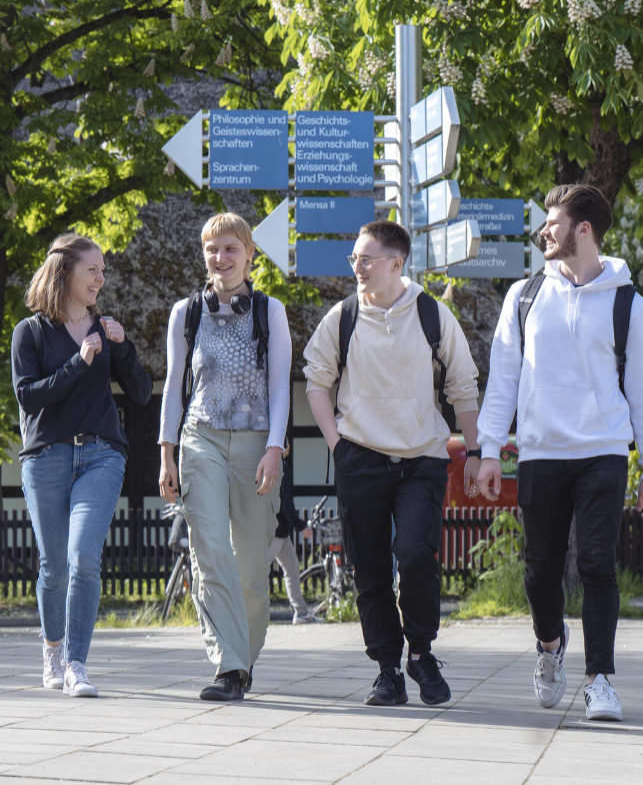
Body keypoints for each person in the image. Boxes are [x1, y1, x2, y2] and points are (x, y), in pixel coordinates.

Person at [476, 183, 643, 722]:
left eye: (553, 222)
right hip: (540, 452)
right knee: (539, 570)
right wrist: (491, 448)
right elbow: (504, 378)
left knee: (596, 563)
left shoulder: (627, 303)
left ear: (583, 229)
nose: (544, 231)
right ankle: (549, 646)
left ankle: (599, 680)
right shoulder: (525, 296)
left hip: (604, 450)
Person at [303, 219, 481, 707]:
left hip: (421, 457)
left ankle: (421, 652)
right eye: (354, 259)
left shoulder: (433, 316)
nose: (357, 267)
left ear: (396, 263)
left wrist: (476, 451)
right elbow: (317, 382)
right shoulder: (342, 317)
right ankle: (387, 668)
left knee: (416, 554)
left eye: (366, 259)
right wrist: (338, 444)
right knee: (371, 568)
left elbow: (463, 387)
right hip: (360, 456)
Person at [11, 233, 151, 698]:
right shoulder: (30, 333)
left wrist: (123, 347)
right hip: (46, 456)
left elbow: (141, 392)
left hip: (101, 454)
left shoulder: (106, 329)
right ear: (66, 271)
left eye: (103, 271)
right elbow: (28, 397)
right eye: (93, 269)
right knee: (53, 566)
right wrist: (78, 361)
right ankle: (52, 649)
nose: (101, 278)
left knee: (83, 558)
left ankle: (76, 664)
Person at [158, 212, 291, 702]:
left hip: (256, 444)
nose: (222, 258)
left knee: (251, 568)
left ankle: (244, 658)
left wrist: (275, 447)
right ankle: (227, 665)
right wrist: (166, 452)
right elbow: (174, 388)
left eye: (231, 248)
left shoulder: (269, 311)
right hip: (201, 439)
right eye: (213, 249)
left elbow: (281, 388)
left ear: (250, 254)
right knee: (210, 551)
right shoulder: (185, 312)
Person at [268, 491, 320, 624]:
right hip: (274, 531)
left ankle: (301, 612)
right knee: (257, 573)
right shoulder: (283, 469)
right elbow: (284, 501)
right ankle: (245, 611)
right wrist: (300, 526)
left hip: (281, 531)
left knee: (292, 569)